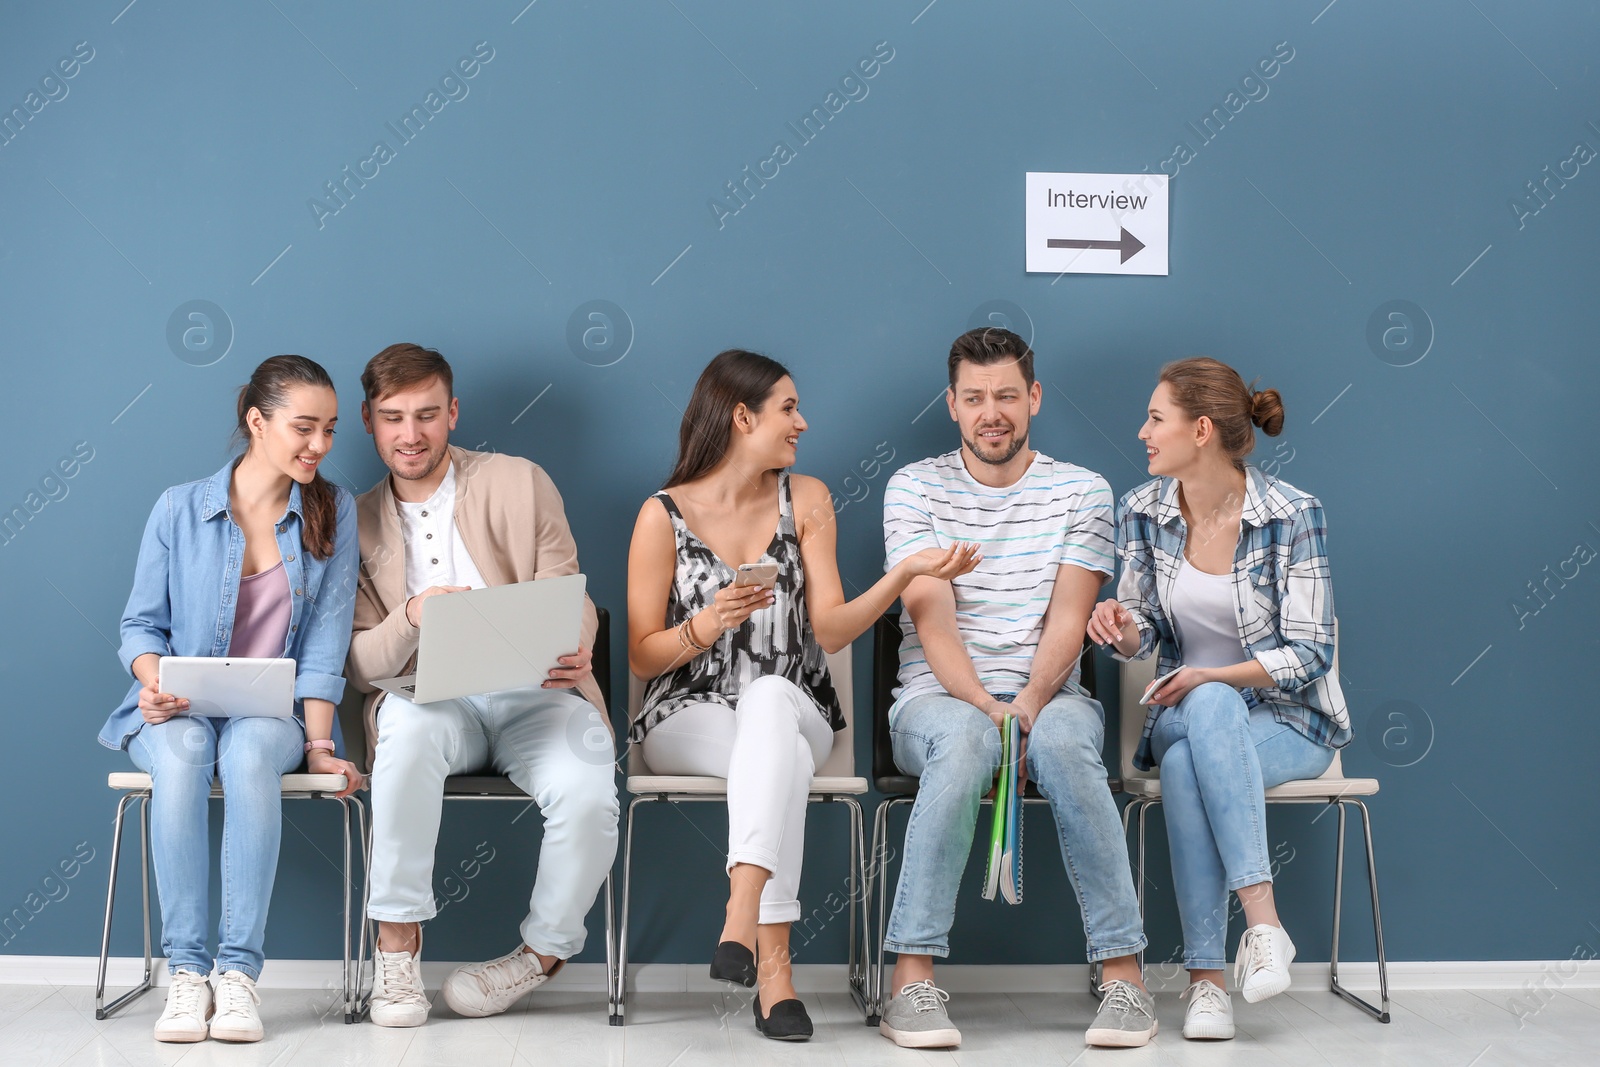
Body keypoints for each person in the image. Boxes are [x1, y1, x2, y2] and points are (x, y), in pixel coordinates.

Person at [627, 349, 978, 1042]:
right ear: (740, 416)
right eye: (788, 408)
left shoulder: (807, 498)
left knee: (769, 706)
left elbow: (834, 630)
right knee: (775, 755)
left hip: (796, 705)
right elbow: (642, 651)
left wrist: (904, 571)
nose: (802, 422)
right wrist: (708, 622)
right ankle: (775, 972)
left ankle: (740, 911)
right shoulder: (660, 515)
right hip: (685, 714)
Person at [877, 328, 1155, 1050]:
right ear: (952, 404)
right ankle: (910, 980)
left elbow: (1069, 619)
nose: (990, 412)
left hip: (1051, 694)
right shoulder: (913, 487)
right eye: (974, 398)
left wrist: (1027, 706)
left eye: (1005, 395)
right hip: (936, 700)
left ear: (1032, 397)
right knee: (968, 739)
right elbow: (933, 625)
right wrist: (989, 709)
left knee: (1064, 741)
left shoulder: (1082, 490)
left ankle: (1125, 978)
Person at [346, 343, 619, 1027]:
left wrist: (578, 641)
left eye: (428, 415)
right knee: (404, 740)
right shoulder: (350, 522)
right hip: (428, 699)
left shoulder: (520, 480)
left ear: (453, 412)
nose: (412, 434)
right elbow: (358, 664)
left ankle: (538, 956)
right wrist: (412, 614)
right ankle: (398, 946)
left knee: (590, 783)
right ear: (369, 421)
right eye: (394, 417)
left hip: (536, 695)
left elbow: (569, 588)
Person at [101, 355, 362, 1044]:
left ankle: (238, 975)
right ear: (256, 419)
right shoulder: (179, 507)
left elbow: (325, 646)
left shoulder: (334, 510)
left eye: (330, 430)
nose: (320, 445)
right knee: (186, 753)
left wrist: (320, 746)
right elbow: (139, 624)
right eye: (304, 427)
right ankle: (187, 974)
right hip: (175, 710)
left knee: (248, 753)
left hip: (268, 715)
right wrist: (154, 683)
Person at [1087, 357, 1350, 1041]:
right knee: (1202, 717)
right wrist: (1121, 627)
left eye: (1155, 417)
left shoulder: (1295, 514)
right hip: (1181, 712)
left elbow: (1311, 651)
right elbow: (1143, 626)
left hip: (1290, 721)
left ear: (1200, 429)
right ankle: (1263, 926)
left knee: (1186, 764)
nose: (1141, 431)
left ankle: (1208, 982)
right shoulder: (1141, 510)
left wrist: (1215, 677)